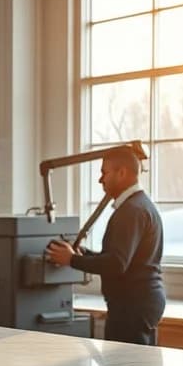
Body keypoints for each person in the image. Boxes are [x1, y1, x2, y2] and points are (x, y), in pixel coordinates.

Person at [46, 145, 165, 345]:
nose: (100, 179)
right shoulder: (140, 205)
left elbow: (116, 264)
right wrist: (85, 254)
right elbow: (120, 257)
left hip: (132, 308)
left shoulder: (131, 211)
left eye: (104, 173)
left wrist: (72, 259)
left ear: (122, 173)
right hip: (140, 303)